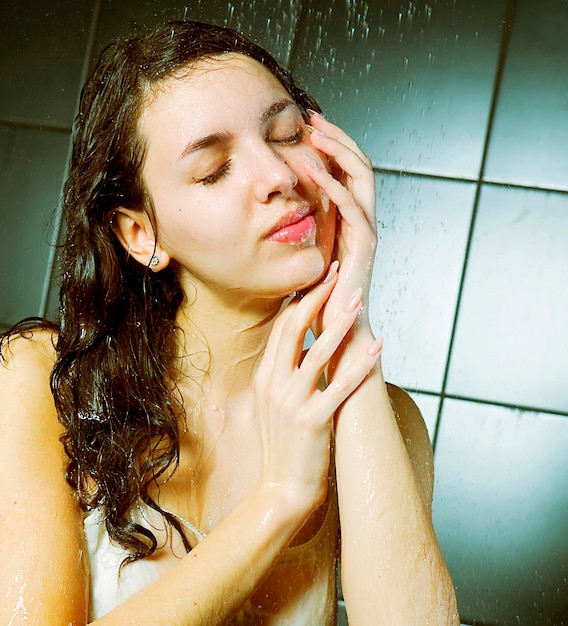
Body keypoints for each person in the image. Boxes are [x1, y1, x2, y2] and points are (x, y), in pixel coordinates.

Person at [0, 20, 459, 625]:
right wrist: (278, 501)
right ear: (142, 234)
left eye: (288, 134)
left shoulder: (385, 420)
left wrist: (351, 337)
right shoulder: (41, 380)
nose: (280, 178)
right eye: (214, 169)